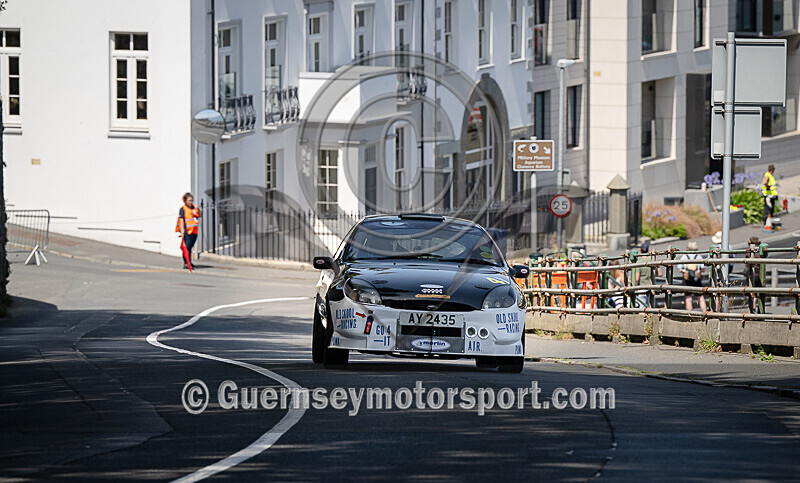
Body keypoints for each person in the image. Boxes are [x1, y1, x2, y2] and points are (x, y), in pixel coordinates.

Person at [678, 241, 707, 312]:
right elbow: (703, 269)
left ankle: (690, 313)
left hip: (687, 279)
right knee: (700, 297)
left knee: (688, 298)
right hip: (697, 279)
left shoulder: (684, 256)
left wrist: (684, 270)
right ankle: (705, 312)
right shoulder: (698, 256)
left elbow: (679, 268)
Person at [176, 193, 201, 269]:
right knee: (186, 247)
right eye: (189, 200)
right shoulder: (183, 209)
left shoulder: (194, 208)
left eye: (192, 200)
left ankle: (189, 262)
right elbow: (181, 220)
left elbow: (199, 215)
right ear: (185, 200)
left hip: (194, 230)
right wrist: (182, 231)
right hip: (187, 231)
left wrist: (198, 209)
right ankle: (186, 263)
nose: (191, 202)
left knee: (190, 247)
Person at [762, 164, 778, 230]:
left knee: (771, 209)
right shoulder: (768, 175)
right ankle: (766, 223)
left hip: (771, 195)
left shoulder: (770, 175)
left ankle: (769, 222)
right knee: (768, 209)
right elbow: (765, 182)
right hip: (768, 196)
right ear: (773, 170)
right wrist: (768, 187)